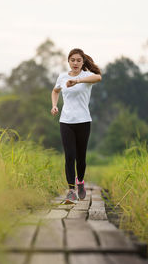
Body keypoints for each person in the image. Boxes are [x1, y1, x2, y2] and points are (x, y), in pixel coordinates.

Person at [51, 48, 102, 204]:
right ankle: (71, 190)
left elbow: (98, 77)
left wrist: (78, 81)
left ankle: (80, 181)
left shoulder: (87, 76)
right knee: (69, 156)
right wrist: (54, 105)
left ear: (83, 62)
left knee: (81, 157)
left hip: (83, 121)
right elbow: (55, 91)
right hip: (66, 121)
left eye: (78, 60)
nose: (75, 63)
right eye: (72, 60)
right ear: (68, 61)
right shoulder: (62, 76)